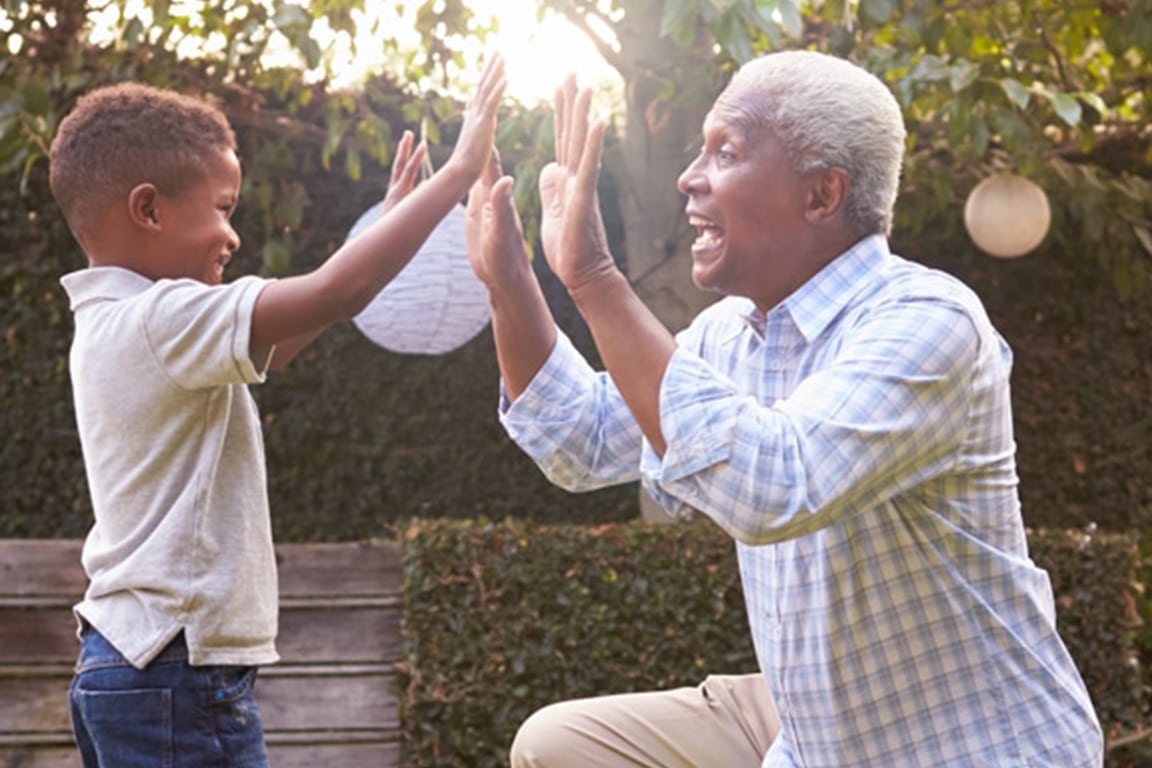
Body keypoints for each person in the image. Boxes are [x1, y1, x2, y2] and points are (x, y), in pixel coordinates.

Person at [465, 50, 1103, 767]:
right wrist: (510, 282)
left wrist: (594, 278)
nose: (689, 176)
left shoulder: (930, 321)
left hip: (975, 748)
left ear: (822, 195)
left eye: (726, 152)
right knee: (557, 748)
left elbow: (777, 483)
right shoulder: (727, 335)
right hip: (817, 733)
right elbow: (582, 441)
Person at [49, 54, 505, 768]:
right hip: (175, 664)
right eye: (223, 208)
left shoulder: (119, 323)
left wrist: (375, 233)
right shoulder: (157, 319)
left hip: (141, 664)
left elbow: (288, 334)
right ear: (148, 208)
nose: (232, 235)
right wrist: (455, 176)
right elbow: (334, 292)